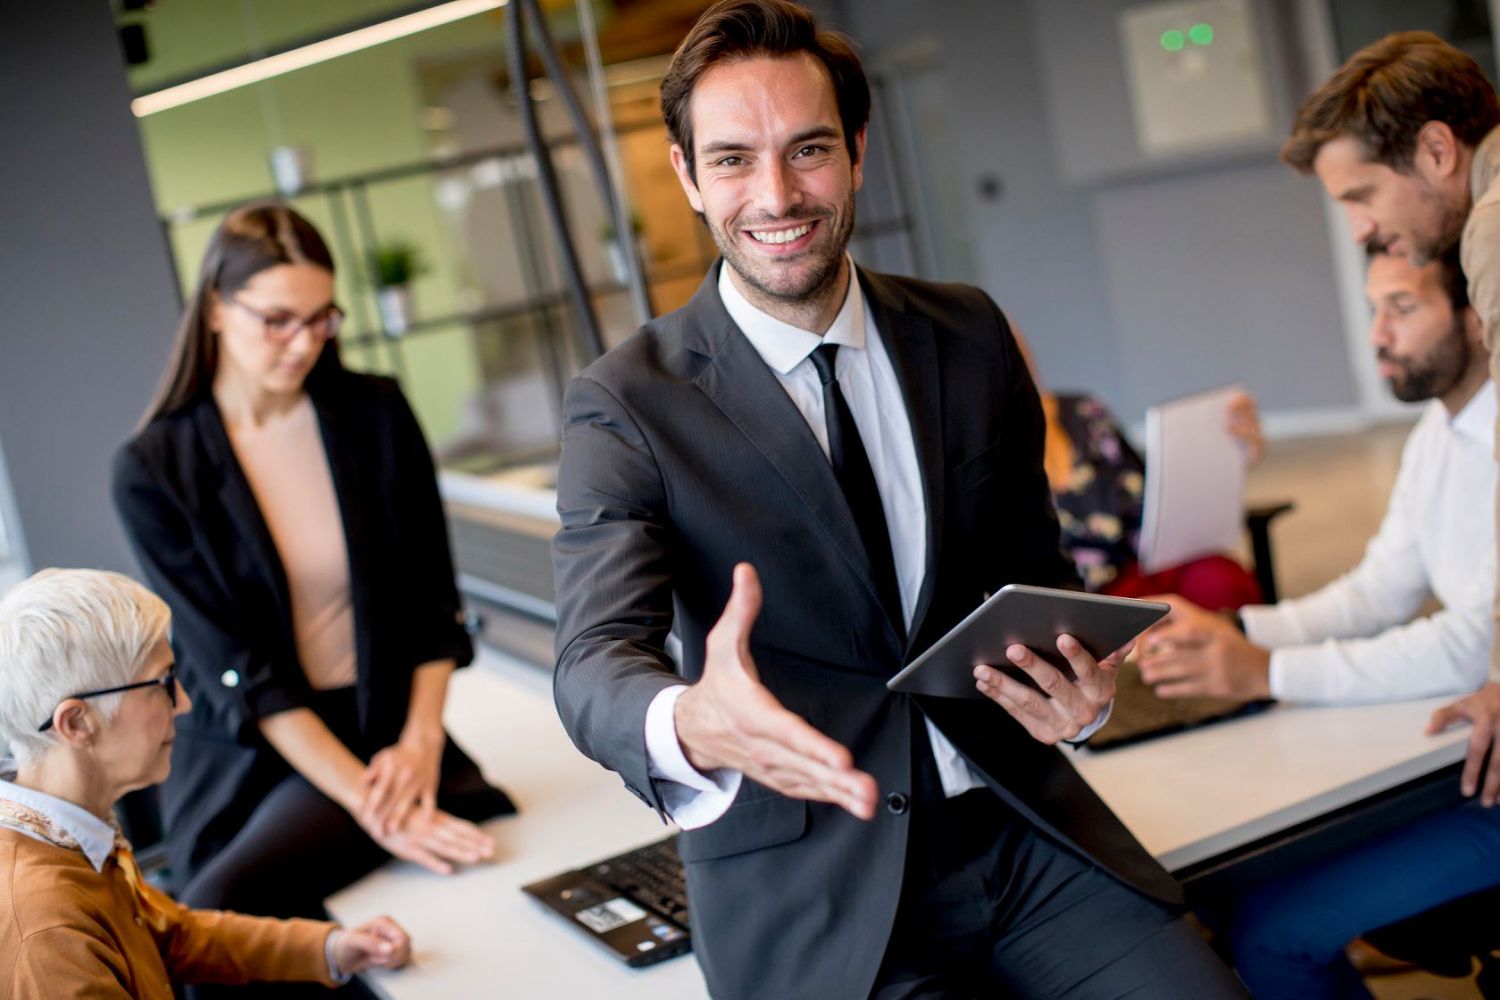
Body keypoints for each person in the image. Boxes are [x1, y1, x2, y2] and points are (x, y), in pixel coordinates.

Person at [550, 2, 1247, 997]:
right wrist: (689, 721)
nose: (777, 193)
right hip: (817, 889)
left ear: (859, 151)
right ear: (688, 177)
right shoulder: (628, 400)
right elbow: (590, 662)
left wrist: (1080, 698)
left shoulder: (966, 335)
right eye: (735, 159)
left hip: (1021, 834)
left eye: (809, 149)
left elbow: (1032, 580)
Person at [111, 203, 512, 997]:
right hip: (253, 751)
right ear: (218, 310)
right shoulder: (155, 467)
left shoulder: (374, 415)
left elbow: (433, 605)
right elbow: (239, 669)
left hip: (383, 730)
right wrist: (375, 805)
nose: (303, 343)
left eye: (321, 320)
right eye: (277, 320)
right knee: (219, 906)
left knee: (254, 905)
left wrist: (419, 743)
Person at [0, 568, 414, 995]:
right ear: (77, 722)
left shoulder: (68, 831)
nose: (183, 702)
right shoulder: (46, 930)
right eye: (161, 683)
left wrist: (330, 948)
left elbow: (169, 934)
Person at [1283, 29, 1500, 807]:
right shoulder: (1434, 438)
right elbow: (1382, 589)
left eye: (1361, 195)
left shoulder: (1491, 225)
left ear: (1439, 150)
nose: (1359, 229)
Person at [1137, 248, 1493, 706]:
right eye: (1375, 309)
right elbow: (1378, 592)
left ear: (1480, 314)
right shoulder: (1435, 433)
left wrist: (1269, 671)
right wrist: (1236, 628)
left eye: (1403, 308)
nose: (1376, 335)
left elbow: (1478, 645)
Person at [1016, 330, 1265, 607]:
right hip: (1084, 597)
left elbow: (1152, 494)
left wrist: (1225, 454)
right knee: (1135, 630)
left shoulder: (1083, 411)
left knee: (1221, 580)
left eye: (1014, 342)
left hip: (1144, 560)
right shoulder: (979, 454)